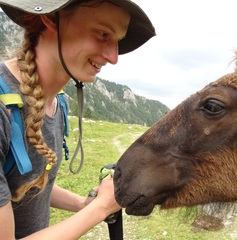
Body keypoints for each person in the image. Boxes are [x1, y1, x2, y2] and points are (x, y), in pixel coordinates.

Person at [0, 0, 155, 239]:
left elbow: (24, 187)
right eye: (103, 33)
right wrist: (101, 206)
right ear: (51, 19)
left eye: (118, 41)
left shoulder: (58, 104)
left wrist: (84, 204)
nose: (113, 57)